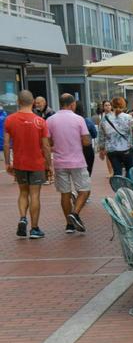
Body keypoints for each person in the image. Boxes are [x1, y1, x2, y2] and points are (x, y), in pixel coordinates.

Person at [3, 90, 52, 238]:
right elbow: (46, 146)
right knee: (35, 195)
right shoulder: (40, 121)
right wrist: (48, 165)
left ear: (18, 102)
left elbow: (6, 143)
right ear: (33, 103)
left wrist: (7, 163)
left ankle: (23, 217)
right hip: (37, 163)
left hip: (19, 163)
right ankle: (34, 228)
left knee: (23, 192)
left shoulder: (10, 120)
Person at [47, 93, 91, 233]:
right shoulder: (79, 119)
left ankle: (69, 225)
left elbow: (47, 142)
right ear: (72, 104)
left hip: (59, 161)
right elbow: (86, 141)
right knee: (84, 190)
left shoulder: (50, 120)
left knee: (64, 194)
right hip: (77, 161)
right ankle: (75, 213)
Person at [97, 97, 133, 176]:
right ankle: (128, 187)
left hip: (112, 150)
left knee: (117, 172)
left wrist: (101, 150)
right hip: (126, 149)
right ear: (124, 105)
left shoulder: (104, 119)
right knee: (129, 171)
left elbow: (101, 137)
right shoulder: (128, 118)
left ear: (112, 105)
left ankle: (119, 187)